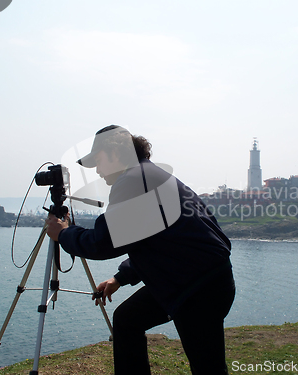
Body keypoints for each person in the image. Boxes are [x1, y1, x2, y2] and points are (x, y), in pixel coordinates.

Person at [46, 125, 235, 375]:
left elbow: (104, 241)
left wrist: (63, 234)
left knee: (208, 369)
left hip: (196, 288)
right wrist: (121, 278)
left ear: (115, 152)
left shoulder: (133, 180)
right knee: (127, 319)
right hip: (199, 278)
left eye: (98, 161)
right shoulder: (150, 176)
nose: (98, 170)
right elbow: (158, 241)